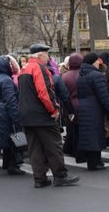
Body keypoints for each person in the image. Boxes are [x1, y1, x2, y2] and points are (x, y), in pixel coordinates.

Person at [19, 43, 81, 186]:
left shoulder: (24, 69)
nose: (49, 58)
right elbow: (44, 92)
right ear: (40, 55)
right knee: (53, 146)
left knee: (35, 149)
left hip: (27, 115)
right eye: (47, 55)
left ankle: (40, 179)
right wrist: (53, 110)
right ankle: (60, 175)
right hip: (42, 115)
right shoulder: (39, 68)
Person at [76, 52, 109, 170]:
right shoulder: (97, 75)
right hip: (94, 108)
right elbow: (104, 95)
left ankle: (92, 162)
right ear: (94, 62)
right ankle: (96, 162)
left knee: (88, 135)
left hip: (83, 107)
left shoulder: (81, 75)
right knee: (96, 134)